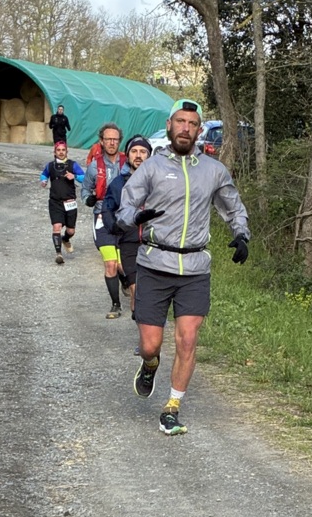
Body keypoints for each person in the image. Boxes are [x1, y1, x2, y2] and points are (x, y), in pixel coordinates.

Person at [116, 99, 250, 435]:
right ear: (169, 125)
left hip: (194, 267)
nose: (185, 128)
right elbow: (125, 207)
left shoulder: (213, 170)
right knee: (150, 344)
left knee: (188, 339)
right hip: (154, 264)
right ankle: (150, 364)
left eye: (191, 123)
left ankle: (172, 408)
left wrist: (241, 235)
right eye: (180, 121)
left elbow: (233, 207)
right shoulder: (152, 167)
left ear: (199, 130)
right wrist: (136, 218)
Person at [101, 135, 151, 328]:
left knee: (149, 291)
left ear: (149, 155)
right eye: (134, 151)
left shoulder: (159, 181)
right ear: (128, 155)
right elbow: (107, 208)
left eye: (143, 152)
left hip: (155, 244)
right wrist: (114, 227)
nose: (138, 155)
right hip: (129, 243)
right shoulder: (118, 183)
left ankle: (148, 329)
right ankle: (144, 334)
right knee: (136, 289)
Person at [83, 123, 128, 317]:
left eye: (115, 139)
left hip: (125, 217)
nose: (111, 143)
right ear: (101, 141)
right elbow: (85, 190)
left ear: (119, 141)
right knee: (110, 263)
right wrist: (89, 199)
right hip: (102, 217)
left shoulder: (128, 163)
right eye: (108, 139)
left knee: (122, 265)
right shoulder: (94, 166)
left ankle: (125, 280)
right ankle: (116, 305)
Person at [39, 141, 85, 264]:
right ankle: (58, 254)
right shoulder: (50, 166)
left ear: (66, 152)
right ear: (54, 152)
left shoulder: (73, 165)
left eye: (63, 150)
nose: (61, 152)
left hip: (70, 203)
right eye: (58, 150)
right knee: (57, 226)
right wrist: (43, 181)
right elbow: (44, 175)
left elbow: (84, 177)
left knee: (71, 231)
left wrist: (74, 176)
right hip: (55, 202)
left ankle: (65, 239)